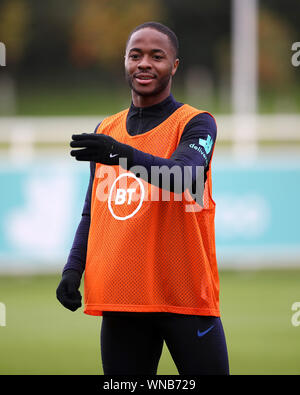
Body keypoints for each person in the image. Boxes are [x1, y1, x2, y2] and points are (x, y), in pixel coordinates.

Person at [56, 21, 229, 375]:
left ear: (174, 66)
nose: (144, 63)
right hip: (123, 297)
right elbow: (92, 213)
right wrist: (73, 270)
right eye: (135, 55)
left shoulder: (195, 123)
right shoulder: (107, 130)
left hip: (185, 296)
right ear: (125, 62)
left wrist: (119, 154)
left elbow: (183, 176)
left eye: (157, 56)